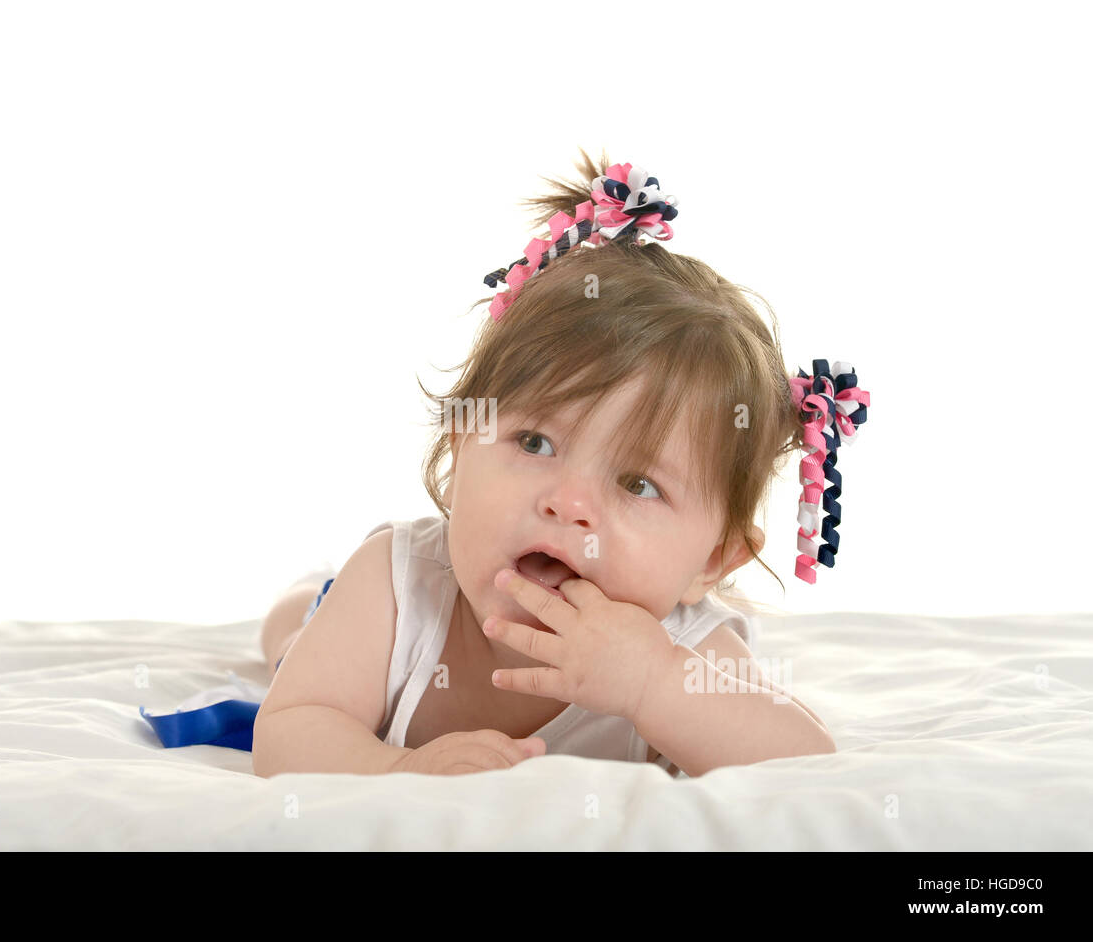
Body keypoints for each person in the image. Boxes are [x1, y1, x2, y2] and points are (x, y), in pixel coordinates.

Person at [253, 149, 870, 778]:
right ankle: (299, 608)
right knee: (295, 645)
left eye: (639, 484)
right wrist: (393, 771)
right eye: (534, 443)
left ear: (710, 561)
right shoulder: (399, 587)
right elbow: (291, 726)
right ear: (461, 444)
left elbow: (809, 766)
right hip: (343, 625)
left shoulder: (683, 652)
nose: (568, 504)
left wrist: (653, 685)